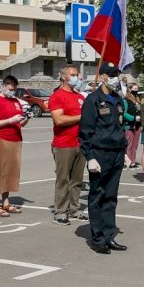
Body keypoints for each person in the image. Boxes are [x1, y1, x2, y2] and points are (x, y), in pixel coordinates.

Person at [78, 62, 128, 254]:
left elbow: (119, 127)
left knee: (111, 197)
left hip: (116, 153)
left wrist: (122, 151)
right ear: (103, 77)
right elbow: (85, 132)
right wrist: (90, 156)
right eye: (112, 74)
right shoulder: (93, 100)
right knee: (97, 196)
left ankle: (109, 236)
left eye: (117, 73)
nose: (115, 77)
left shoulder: (116, 98)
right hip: (99, 154)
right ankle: (97, 239)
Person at [49, 65, 87, 226]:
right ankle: (60, 211)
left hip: (80, 143)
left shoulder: (80, 97)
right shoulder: (57, 96)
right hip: (63, 144)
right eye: (73, 75)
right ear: (64, 76)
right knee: (63, 179)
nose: (76, 77)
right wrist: (80, 117)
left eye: (77, 75)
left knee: (77, 180)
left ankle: (74, 208)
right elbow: (59, 120)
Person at [0, 75, 29, 217]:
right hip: (0, 138)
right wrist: (10, 120)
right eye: (10, 89)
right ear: (3, 86)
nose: (13, 92)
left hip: (15, 139)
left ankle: (5, 202)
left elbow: (19, 123)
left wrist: (26, 118)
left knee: (10, 171)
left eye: (14, 90)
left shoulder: (16, 101)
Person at [125, 81, 143, 170]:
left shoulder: (138, 99)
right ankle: (128, 161)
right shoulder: (126, 100)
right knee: (129, 145)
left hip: (138, 125)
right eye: (135, 89)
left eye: (137, 89)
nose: (136, 90)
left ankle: (133, 161)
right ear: (130, 89)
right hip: (129, 125)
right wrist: (133, 118)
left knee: (135, 145)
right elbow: (124, 113)